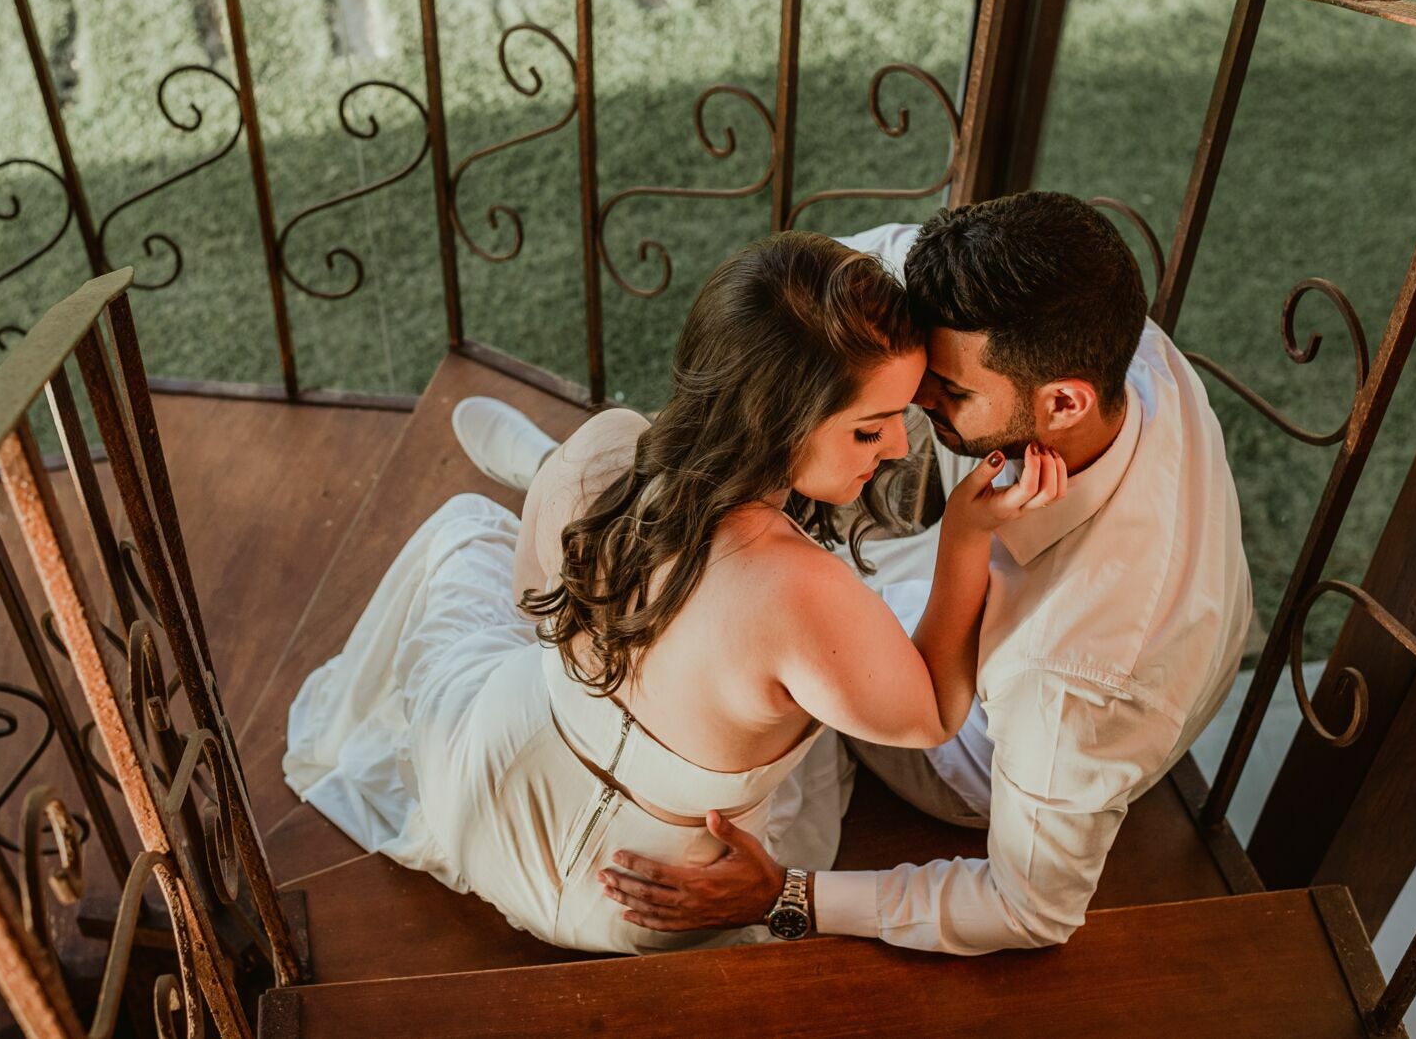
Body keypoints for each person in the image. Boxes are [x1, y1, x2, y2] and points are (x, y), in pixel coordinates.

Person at [283, 230, 1066, 954]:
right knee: (819, 723)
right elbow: (931, 713)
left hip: (485, 796)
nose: (898, 446)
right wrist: (966, 539)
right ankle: (552, 486)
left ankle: (549, 475)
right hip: (633, 912)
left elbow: (532, 612)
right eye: (871, 429)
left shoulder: (608, 450)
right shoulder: (807, 596)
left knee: (477, 529)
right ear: (779, 421)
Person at [583, 193, 1254, 952]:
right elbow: (800, 317)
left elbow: (1029, 910)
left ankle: (616, 507)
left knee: (772, 617)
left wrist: (784, 896)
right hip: (1046, 626)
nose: (909, 409)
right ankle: (612, 488)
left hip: (974, 743)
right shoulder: (1109, 340)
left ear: (1064, 401)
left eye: (948, 391)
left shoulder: (1075, 680)